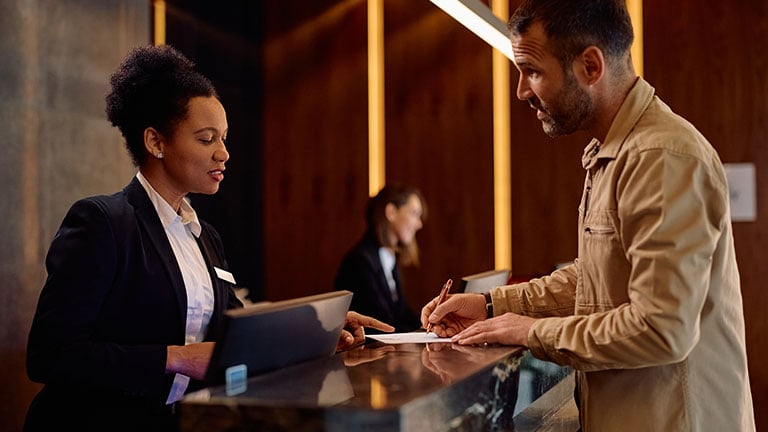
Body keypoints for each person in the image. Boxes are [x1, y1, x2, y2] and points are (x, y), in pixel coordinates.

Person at [422, 1, 755, 431]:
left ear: (591, 66)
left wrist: (530, 332)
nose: (522, 90)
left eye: (533, 71)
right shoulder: (615, 151)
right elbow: (597, 277)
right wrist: (490, 305)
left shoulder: (660, 157)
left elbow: (660, 329)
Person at [24, 45, 393, 432]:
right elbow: (50, 355)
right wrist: (176, 358)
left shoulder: (205, 236)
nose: (224, 154)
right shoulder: (102, 222)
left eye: (224, 138)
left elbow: (235, 332)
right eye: (206, 139)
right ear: (156, 142)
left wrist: (319, 332)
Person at [335, 183, 426, 332]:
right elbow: (380, 322)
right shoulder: (359, 262)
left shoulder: (389, 257)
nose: (419, 224)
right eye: (414, 213)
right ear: (391, 212)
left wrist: (430, 326)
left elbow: (401, 312)